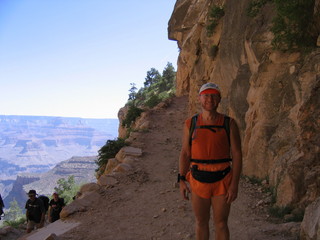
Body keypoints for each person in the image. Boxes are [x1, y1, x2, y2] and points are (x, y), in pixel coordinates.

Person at [178, 82, 242, 240]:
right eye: (206, 95)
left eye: (214, 95)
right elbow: (185, 153)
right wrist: (181, 179)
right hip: (198, 179)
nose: (210, 99)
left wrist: (234, 185)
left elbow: (237, 154)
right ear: (199, 98)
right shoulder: (190, 124)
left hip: (223, 180)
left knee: (221, 223)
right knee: (201, 222)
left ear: (219, 99)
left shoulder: (229, 124)